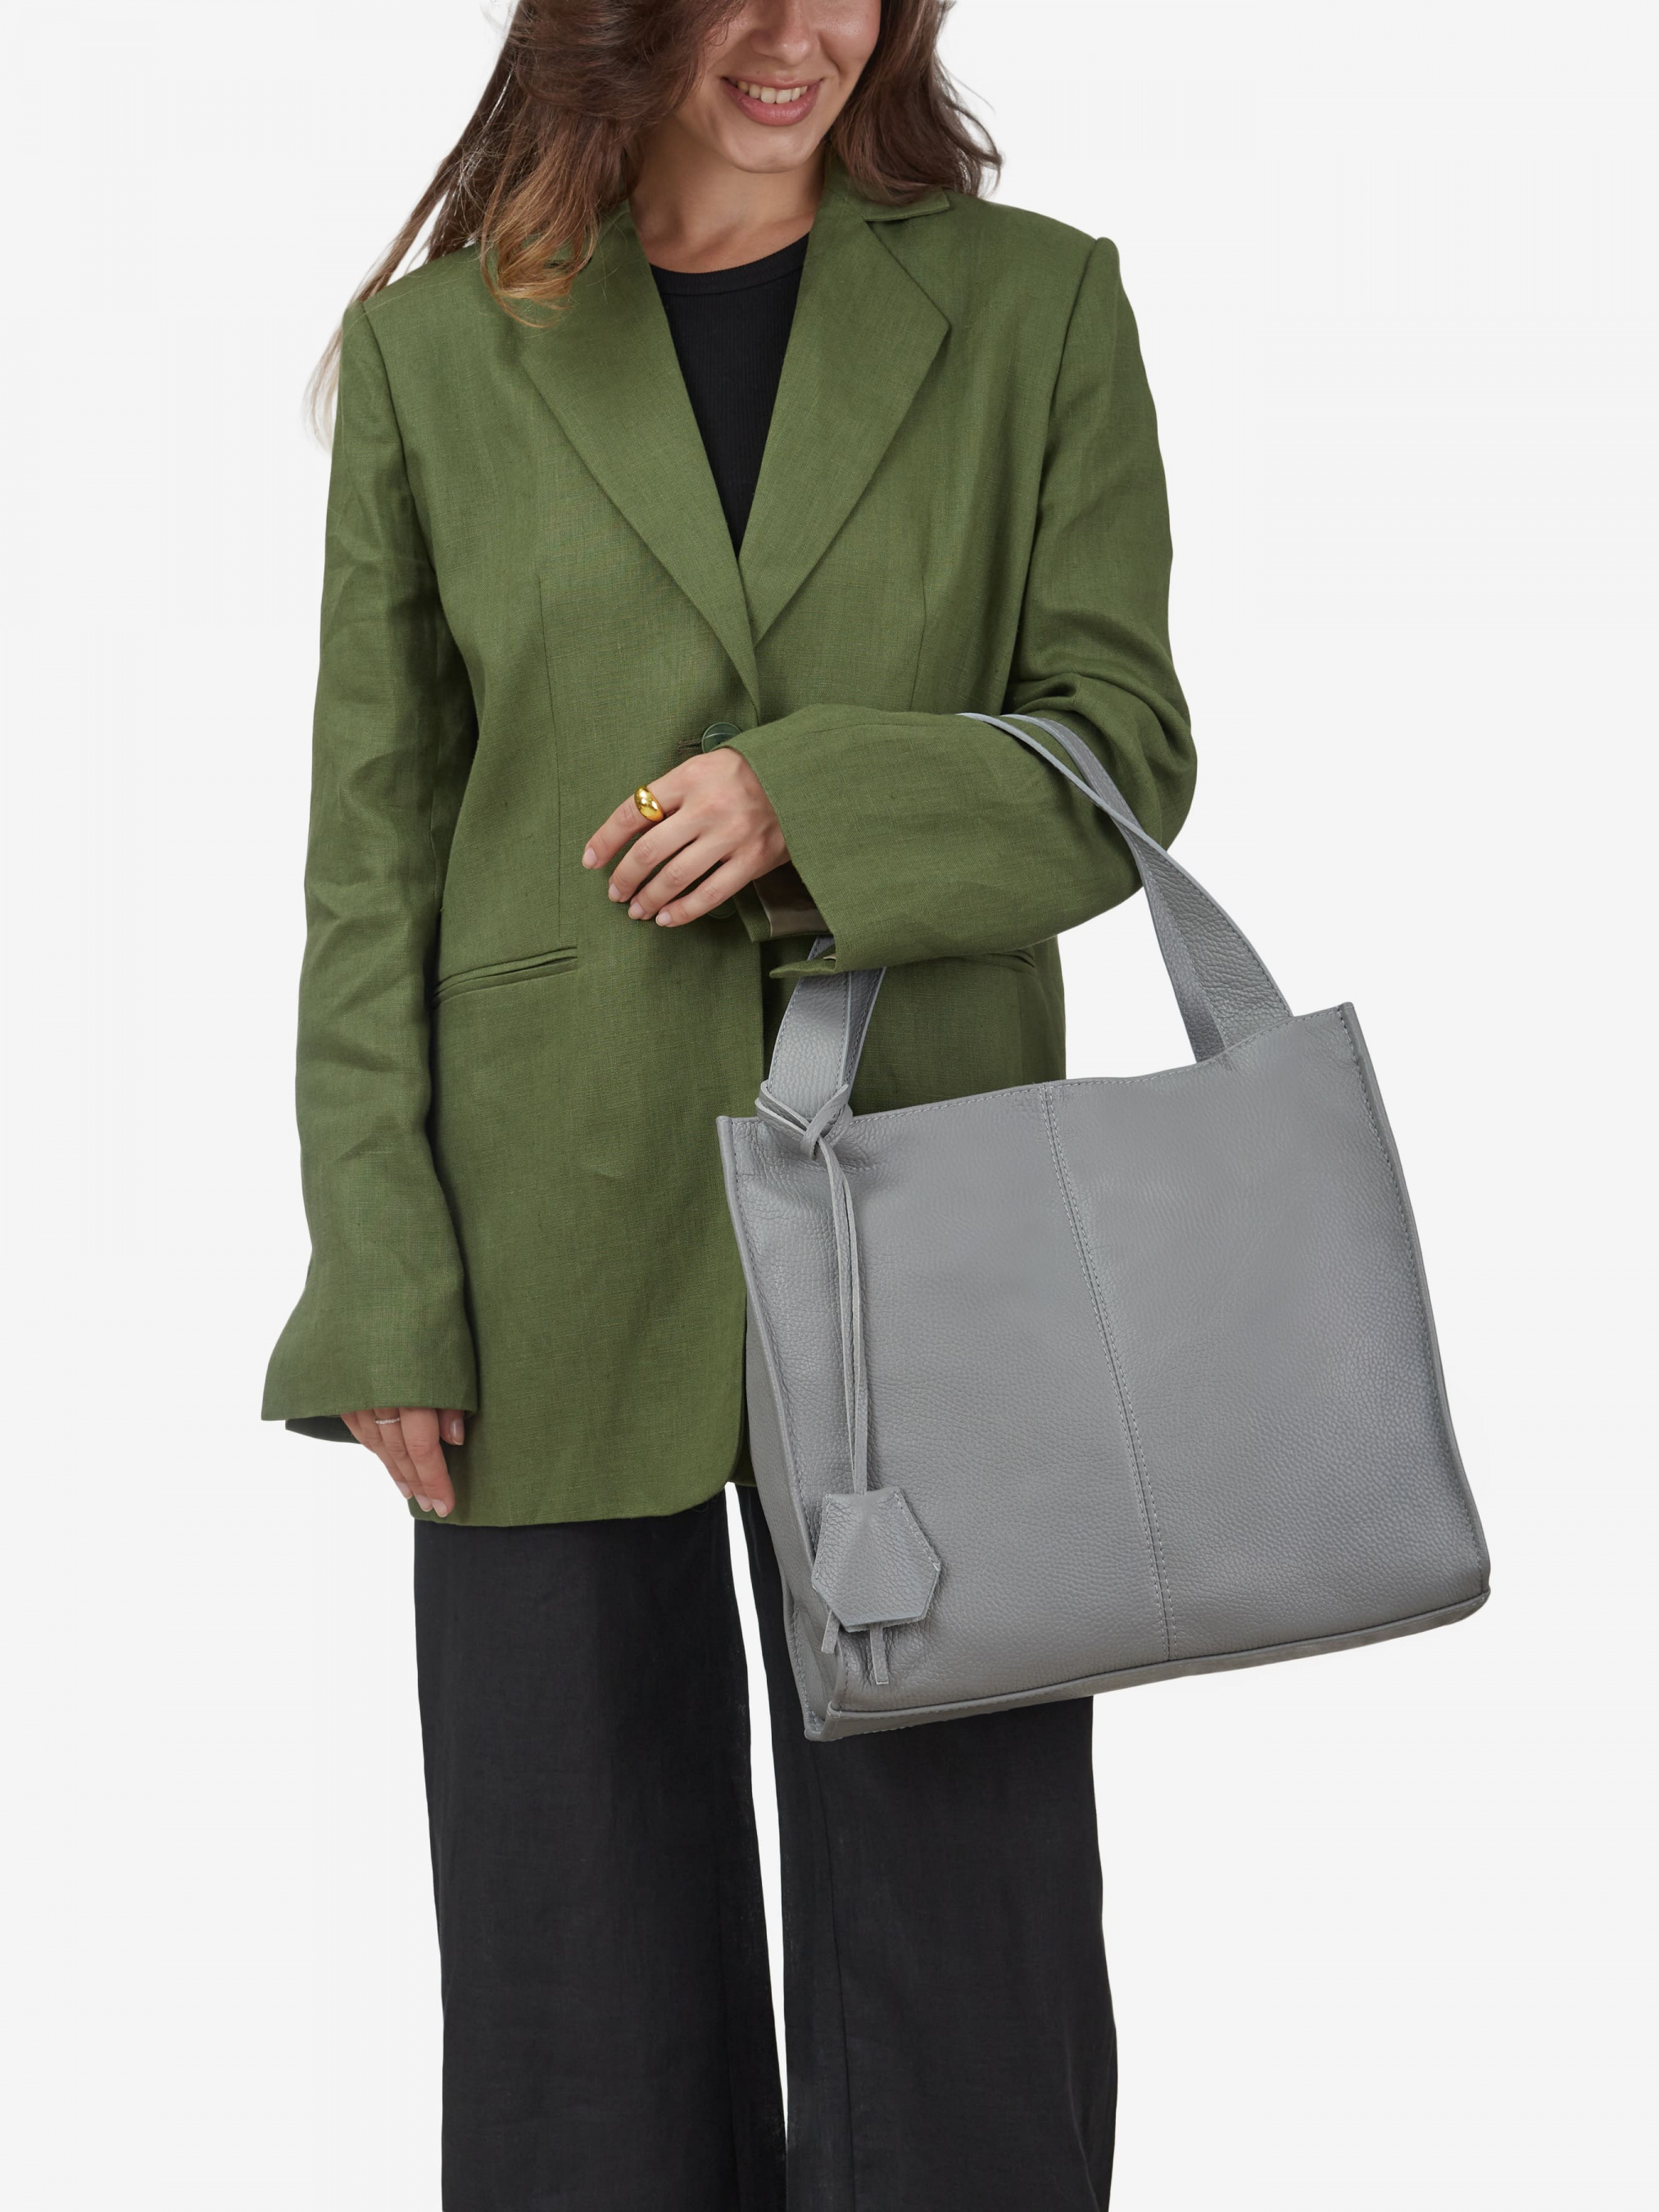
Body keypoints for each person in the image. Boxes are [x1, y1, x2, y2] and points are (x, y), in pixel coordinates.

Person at [264, 2, 1196, 2205]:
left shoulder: (1036, 305)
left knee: (961, 1925)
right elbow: (372, 852)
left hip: (932, 1195)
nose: (800, 36)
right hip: (542, 1218)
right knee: (569, 1933)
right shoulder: (431, 354)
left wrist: (819, 797)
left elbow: (1121, 747)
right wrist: (380, 1272)